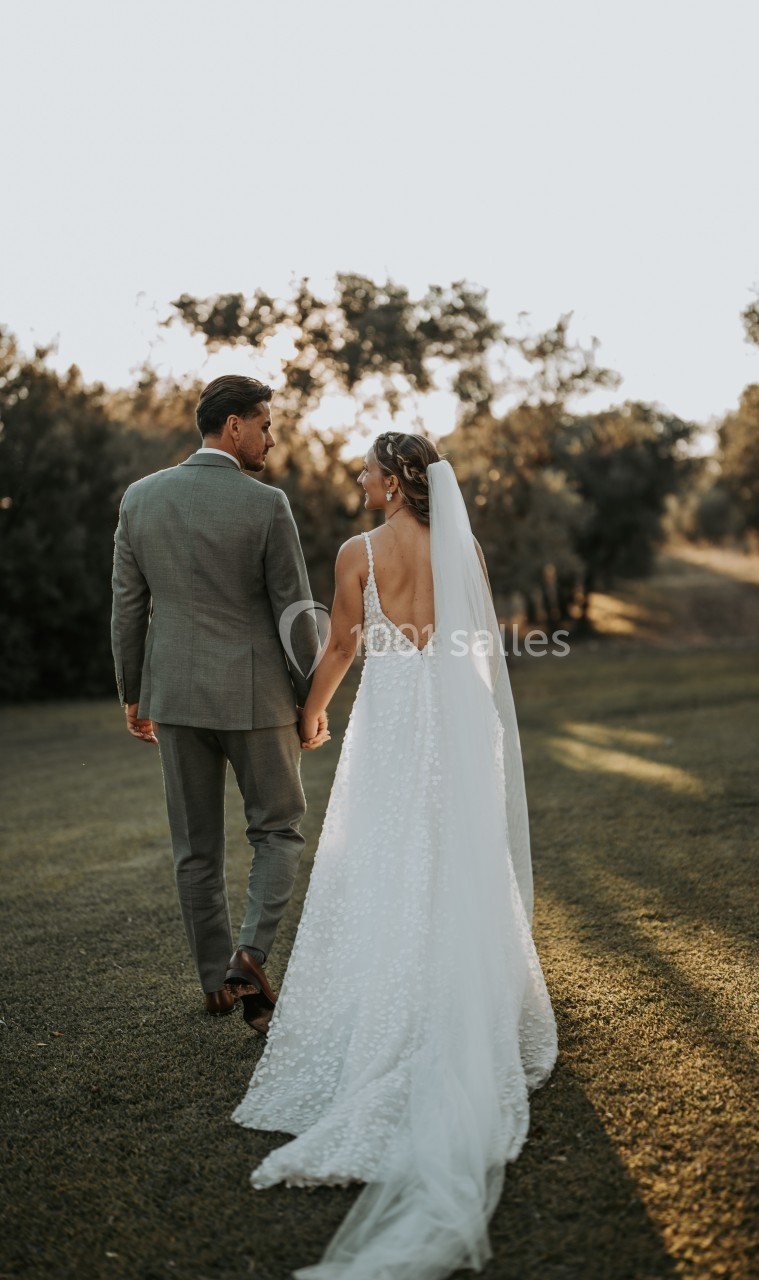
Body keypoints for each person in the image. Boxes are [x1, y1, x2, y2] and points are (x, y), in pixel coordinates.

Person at [232, 431, 558, 1279]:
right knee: (453, 856)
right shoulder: (463, 546)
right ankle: (463, 994)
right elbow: (478, 647)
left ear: (391, 481)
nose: (357, 481)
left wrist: (310, 715)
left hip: (393, 721)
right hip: (455, 713)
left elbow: (340, 645)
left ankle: (389, 1003)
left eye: (365, 472)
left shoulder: (357, 551)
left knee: (381, 857)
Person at [110, 375, 326, 1034]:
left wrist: (134, 692)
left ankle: (215, 985)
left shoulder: (140, 498)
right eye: (264, 424)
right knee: (279, 830)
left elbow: (127, 604)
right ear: (233, 427)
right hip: (256, 697)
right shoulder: (266, 505)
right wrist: (309, 699)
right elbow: (294, 611)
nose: (269, 437)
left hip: (174, 696)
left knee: (194, 847)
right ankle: (249, 958)